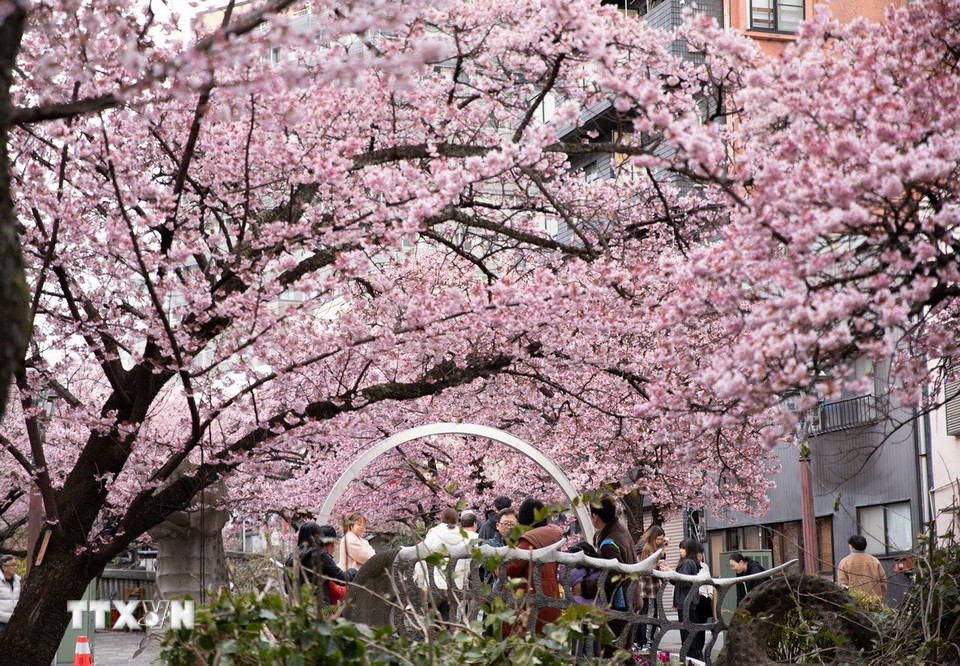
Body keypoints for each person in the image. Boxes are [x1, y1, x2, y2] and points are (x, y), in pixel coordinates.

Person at [580, 496, 638, 655]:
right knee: (623, 652)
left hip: (619, 606)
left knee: (613, 653)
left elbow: (613, 577)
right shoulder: (620, 531)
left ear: (595, 517)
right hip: (630, 600)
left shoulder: (609, 543)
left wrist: (585, 587)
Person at [503, 498, 563, 637]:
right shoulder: (553, 537)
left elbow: (509, 569)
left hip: (529, 599)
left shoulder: (528, 541)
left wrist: (496, 567)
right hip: (551, 597)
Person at [415, 507, 473, 621]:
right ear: (457, 520)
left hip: (434, 583)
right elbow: (468, 563)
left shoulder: (433, 535)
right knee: (449, 612)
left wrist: (420, 578)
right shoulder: (464, 538)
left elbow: (422, 558)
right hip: (455, 584)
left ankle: (436, 634)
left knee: (434, 614)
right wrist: (464, 579)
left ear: (441, 519)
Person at [287, 522, 351, 606]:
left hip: (299, 607)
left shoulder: (292, 558)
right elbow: (341, 578)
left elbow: (287, 588)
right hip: (320, 606)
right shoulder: (320, 554)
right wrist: (353, 572)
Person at [635, 525, 669, 651]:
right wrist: (662, 562)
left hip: (642, 588)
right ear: (653, 537)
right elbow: (651, 568)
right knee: (650, 616)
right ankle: (648, 643)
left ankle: (638, 642)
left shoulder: (642, 546)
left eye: (662, 539)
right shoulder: (649, 549)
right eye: (658, 539)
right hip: (650, 588)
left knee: (641, 615)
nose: (660, 541)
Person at [672, 538, 707, 661]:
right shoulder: (689, 562)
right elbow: (676, 581)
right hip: (688, 601)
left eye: (683, 548)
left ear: (689, 549)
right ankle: (694, 656)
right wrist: (668, 573)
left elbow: (683, 582)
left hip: (686, 601)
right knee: (689, 630)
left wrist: (671, 573)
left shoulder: (688, 563)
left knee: (687, 632)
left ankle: (692, 658)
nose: (680, 551)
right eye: (680, 548)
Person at [837, 535, 887, 602]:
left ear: (851, 546)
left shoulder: (844, 562)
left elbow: (843, 585)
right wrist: (881, 597)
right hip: (875, 601)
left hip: (855, 603)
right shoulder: (875, 561)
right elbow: (883, 582)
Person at [0, 555, 21, 633]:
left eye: (16, 565)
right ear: (4, 567)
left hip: (13, 623)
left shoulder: (17, 581)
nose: (15, 567)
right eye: (13, 565)